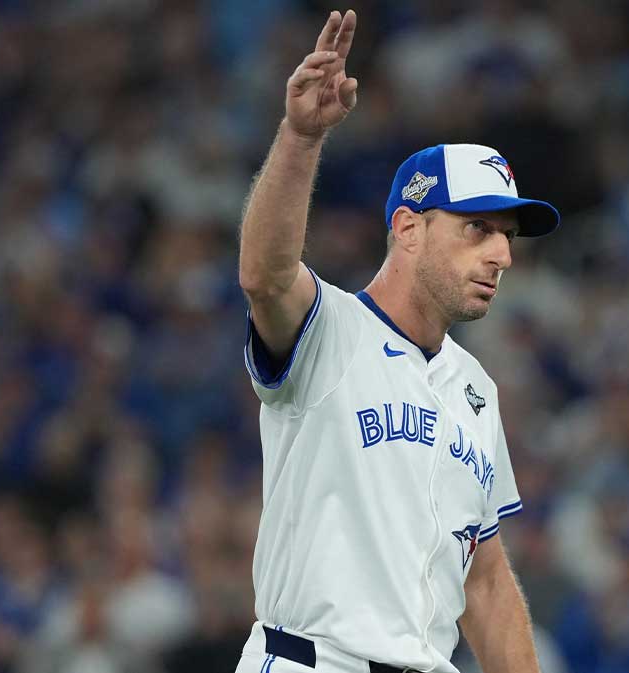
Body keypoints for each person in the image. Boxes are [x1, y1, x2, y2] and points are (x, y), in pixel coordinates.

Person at [234, 9, 559, 673]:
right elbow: (264, 278)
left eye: (507, 235)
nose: (501, 253)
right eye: (478, 229)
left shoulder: (477, 390)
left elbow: (486, 583)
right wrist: (300, 137)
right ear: (409, 228)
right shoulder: (329, 329)